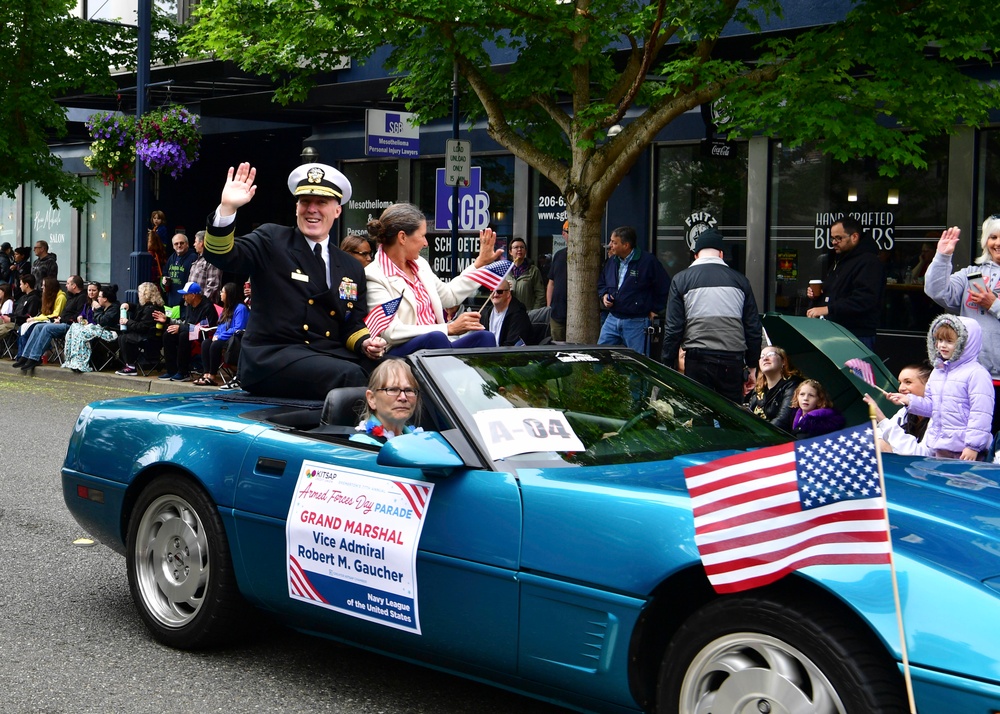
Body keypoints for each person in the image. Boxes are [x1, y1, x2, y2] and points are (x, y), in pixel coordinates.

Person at [201, 162, 385, 398]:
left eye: (321, 202)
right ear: (297, 207)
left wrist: (365, 344)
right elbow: (221, 254)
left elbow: (352, 324)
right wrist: (227, 209)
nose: (312, 209)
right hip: (272, 357)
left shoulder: (350, 265)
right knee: (350, 376)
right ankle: (356, 436)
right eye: (305, 202)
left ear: (337, 210)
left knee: (397, 372)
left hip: (326, 354)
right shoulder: (272, 240)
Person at [365, 201, 499, 356]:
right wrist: (448, 328)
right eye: (422, 236)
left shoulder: (420, 264)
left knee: (485, 337)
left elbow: (450, 296)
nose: (425, 243)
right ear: (402, 237)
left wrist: (480, 263)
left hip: (438, 345)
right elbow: (392, 332)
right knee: (435, 339)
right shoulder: (374, 275)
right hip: (401, 355)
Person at [662, 228, 762, 402]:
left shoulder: (681, 280)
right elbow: (753, 327)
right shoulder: (740, 281)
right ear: (721, 254)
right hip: (732, 360)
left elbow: (673, 329)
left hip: (697, 359)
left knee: (702, 416)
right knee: (732, 417)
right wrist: (753, 366)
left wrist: (667, 364)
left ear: (696, 255)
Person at [923, 219, 1000, 431]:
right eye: (993, 237)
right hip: (969, 375)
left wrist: (994, 304)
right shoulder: (971, 275)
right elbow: (937, 291)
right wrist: (942, 256)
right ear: (985, 242)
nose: (997, 243)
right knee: (969, 439)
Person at [888, 314, 994, 460]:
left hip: (965, 450)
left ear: (965, 343)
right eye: (939, 340)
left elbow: (981, 413)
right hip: (940, 447)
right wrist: (909, 401)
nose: (942, 345)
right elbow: (932, 406)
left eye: (949, 341)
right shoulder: (938, 371)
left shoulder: (977, 374)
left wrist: (972, 446)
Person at [805, 216, 884, 349]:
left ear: (854, 237)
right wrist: (817, 296)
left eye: (839, 238)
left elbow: (864, 299)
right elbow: (836, 291)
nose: (834, 242)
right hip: (833, 330)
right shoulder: (838, 259)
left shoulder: (869, 262)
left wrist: (827, 309)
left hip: (856, 334)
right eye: (832, 238)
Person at [597, 225, 670, 356]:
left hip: (636, 321)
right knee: (600, 356)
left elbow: (664, 287)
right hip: (612, 318)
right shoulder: (612, 261)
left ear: (626, 245)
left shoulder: (648, 262)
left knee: (638, 362)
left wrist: (655, 309)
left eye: (614, 242)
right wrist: (604, 295)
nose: (610, 245)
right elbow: (602, 282)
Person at [13, 275, 86, 374]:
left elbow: (78, 314)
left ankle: (34, 357)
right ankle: (25, 356)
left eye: (68, 283)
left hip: (71, 325)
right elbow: (65, 312)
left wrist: (61, 319)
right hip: (61, 321)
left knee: (47, 328)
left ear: (74, 286)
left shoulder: (81, 298)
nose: (66, 285)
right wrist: (60, 318)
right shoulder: (70, 296)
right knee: (38, 327)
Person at [155, 281, 219, 382]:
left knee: (184, 335)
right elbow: (186, 323)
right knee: (168, 334)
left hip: (204, 335)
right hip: (190, 332)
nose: (183, 297)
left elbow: (202, 327)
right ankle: (171, 370)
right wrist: (168, 320)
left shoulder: (207, 307)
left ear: (193, 295)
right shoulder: (189, 306)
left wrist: (181, 328)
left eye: (185, 294)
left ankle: (183, 372)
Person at [864, 363, 932, 455]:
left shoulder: (940, 416)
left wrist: (881, 418)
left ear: (929, 385)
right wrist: (882, 442)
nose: (901, 388)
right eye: (900, 383)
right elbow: (878, 433)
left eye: (908, 382)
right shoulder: (904, 412)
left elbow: (922, 455)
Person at [350, 359, 423, 445]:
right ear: (372, 398)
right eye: (393, 389)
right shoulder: (362, 445)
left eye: (409, 390)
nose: (403, 397)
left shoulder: (419, 439)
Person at [193, 282, 250, 387]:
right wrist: (216, 335)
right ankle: (206, 375)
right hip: (223, 338)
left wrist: (220, 337)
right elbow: (220, 326)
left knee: (215, 345)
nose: (220, 294)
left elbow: (238, 328)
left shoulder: (241, 308)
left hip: (235, 339)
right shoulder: (226, 308)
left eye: (222, 292)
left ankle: (212, 376)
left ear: (229, 294)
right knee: (206, 343)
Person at [61, 285, 120, 373]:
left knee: (82, 333)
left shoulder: (113, 308)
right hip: (100, 329)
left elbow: (103, 321)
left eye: (100, 296)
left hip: (109, 332)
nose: (98, 298)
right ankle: (72, 360)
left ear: (105, 299)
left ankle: (81, 363)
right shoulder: (104, 306)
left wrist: (98, 309)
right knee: (75, 328)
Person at [743, 345, 803, 431]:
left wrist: (758, 434)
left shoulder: (793, 385)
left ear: (783, 361)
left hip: (780, 438)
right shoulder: (759, 389)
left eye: (771, 354)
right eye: (761, 356)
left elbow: (783, 421)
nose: (765, 358)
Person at [115, 282, 165, 376]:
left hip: (150, 338)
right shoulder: (149, 306)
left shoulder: (150, 309)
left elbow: (142, 327)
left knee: (125, 338)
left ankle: (131, 366)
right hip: (148, 335)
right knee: (124, 337)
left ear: (145, 294)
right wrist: (128, 305)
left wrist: (127, 322)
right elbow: (138, 308)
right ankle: (129, 364)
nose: (138, 294)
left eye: (139, 292)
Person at [480, 279, 534, 346]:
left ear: (508, 293)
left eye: (499, 291)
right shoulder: (486, 313)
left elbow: (512, 344)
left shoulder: (519, 314)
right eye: (492, 291)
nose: (495, 294)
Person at [546, 221, 570, 341]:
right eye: (569, 232)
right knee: (558, 345)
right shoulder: (559, 255)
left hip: (575, 314)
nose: (571, 235)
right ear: (563, 234)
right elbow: (551, 282)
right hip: (557, 312)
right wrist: (549, 306)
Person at [507, 237, 545, 310]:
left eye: (522, 247)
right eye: (516, 247)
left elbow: (540, 295)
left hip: (527, 313)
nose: (519, 249)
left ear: (525, 251)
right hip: (509, 313)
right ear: (510, 252)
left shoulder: (533, 270)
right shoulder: (505, 271)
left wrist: (534, 313)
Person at [0, 275, 40, 340]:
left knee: (4, 327)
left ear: (26, 285)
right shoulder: (23, 297)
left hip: (20, 324)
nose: (20, 286)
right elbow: (16, 313)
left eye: (21, 284)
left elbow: (29, 317)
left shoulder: (34, 299)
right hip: (14, 320)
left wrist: (11, 319)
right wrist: (7, 316)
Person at [162, 233, 197, 307]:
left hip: (186, 302)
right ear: (173, 246)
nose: (179, 245)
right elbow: (165, 274)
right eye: (176, 244)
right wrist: (165, 281)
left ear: (187, 244)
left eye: (182, 243)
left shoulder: (193, 258)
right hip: (172, 300)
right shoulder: (172, 258)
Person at [188, 230, 223, 303]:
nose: (194, 244)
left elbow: (212, 287)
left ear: (201, 243)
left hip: (204, 307)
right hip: (193, 305)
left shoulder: (212, 260)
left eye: (195, 241)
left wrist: (201, 304)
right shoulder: (198, 260)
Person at [148, 211, 169, 282]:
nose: (156, 220)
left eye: (158, 218)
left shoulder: (162, 229)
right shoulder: (154, 228)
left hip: (160, 251)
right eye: (154, 218)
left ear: (162, 220)